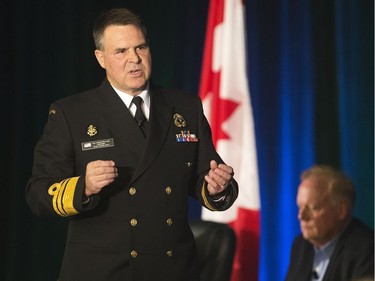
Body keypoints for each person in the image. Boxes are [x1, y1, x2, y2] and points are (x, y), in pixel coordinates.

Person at [25, 8, 239, 281]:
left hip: (172, 269)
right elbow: (38, 193)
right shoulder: (72, 113)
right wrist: (84, 186)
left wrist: (217, 187)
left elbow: (206, 176)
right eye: (121, 51)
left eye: (141, 47)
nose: (134, 59)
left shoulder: (185, 107)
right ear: (100, 58)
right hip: (104, 272)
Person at [285, 165, 374, 281]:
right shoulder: (301, 246)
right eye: (300, 207)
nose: (301, 216)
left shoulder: (367, 249)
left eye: (313, 208)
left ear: (341, 210)